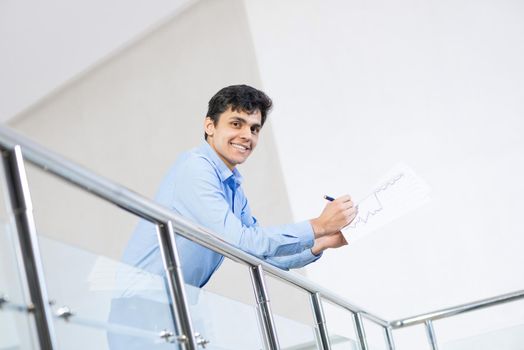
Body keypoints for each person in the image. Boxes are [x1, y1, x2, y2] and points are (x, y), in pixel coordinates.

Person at [121, 84, 357, 288]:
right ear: (209, 126)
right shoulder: (195, 168)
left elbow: (262, 254)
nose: (247, 135)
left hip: (177, 301)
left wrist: (324, 239)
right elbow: (241, 242)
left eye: (254, 128)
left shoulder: (232, 185)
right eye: (236, 123)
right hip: (141, 299)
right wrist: (318, 225)